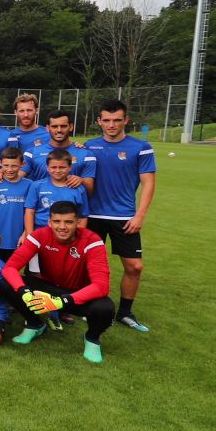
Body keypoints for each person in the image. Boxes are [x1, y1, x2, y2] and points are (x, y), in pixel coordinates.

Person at [1, 201, 115, 363]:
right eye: (57, 221)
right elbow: (10, 268)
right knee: (6, 284)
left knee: (105, 308)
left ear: (78, 222)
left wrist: (61, 301)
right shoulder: (39, 235)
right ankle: (35, 324)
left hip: (76, 294)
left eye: (68, 222)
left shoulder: (92, 240)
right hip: (48, 288)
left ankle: (92, 338)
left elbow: (101, 286)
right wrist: (24, 292)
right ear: (49, 222)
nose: (62, 227)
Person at [83, 99, 156, 332]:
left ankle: (125, 312)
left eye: (116, 120)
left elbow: (148, 183)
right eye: (106, 120)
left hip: (124, 216)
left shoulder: (141, 147)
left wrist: (140, 216)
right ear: (99, 121)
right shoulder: (89, 146)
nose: (111, 125)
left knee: (134, 266)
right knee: (86, 265)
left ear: (126, 120)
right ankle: (88, 307)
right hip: (92, 215)